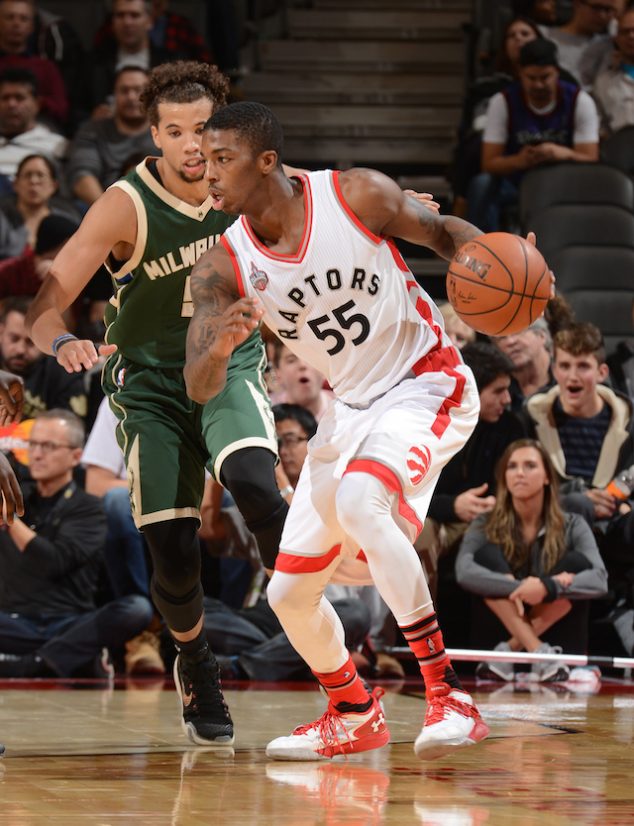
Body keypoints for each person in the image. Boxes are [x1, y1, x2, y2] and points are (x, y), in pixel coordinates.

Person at [183, 100, 511, 762]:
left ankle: (450, 696)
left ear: (266, 162)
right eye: (202, 160)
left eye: (223, 160)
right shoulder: (221, 267)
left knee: (364, 500)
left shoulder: (354, 193)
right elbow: (198, 384)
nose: (207, 173)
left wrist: (502, 262)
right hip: (351, 408)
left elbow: (445, 235)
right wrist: (218, 348)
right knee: (288, 592)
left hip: (426, 378)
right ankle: (354, 710)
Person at [24, 61, 290, 748]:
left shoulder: (249, 182)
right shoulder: (126, 204)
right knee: (171, 550)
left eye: (202, 128)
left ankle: (307, 617)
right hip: (151, 387)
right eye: (175, 132)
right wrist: (62, 346)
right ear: (155, 136)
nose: (192, 144)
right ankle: (195, 663)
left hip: (228, 365)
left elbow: (332, 207)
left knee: (257, 484)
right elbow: (46, 304)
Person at [0, 408, 155, 679]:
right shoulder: (16, 497)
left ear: (76, 456)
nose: (37, 454)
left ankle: (33, 662)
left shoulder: (89, 509)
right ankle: (62, 658)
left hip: (68, 622)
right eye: (33, 445)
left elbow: (54, 562)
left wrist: (11, 519)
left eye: (48, 446)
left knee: (136, 609)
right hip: (13, 622)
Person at [456, 439, 608, 682]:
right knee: (486, 560)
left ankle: (513, 650)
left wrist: (548, 587)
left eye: (529, 466)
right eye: (512, 467)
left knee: (577, 564)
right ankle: (538, 652)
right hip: (501, 629)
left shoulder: (573, 524)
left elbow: (599, 579)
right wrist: (520, 588)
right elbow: (464, 571)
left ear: (547, 476)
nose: (519, 473)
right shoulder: (485, 521)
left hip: (556, 642)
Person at [522, 322, 634, 591]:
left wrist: (624, 505)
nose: (572, 376)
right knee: (575, 505)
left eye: (583, 366)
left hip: (616, 522)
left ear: (602, 372)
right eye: (565, 366)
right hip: (553, 523)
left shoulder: (629, 421)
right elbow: (518, 484)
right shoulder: (530, 418)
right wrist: (578, 498)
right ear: (554, 370)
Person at [425, 342, 526, 601]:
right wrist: (453, 507)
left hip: (492, 518)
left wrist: (498, 502)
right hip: (439, 516)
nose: (508, 399)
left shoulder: (511, 427)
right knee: (419, 534)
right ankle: (417, 634)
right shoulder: (430, 423)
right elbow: (406, 492)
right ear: (472, 389)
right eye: (499, 391)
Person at [467, 37, 599, 232]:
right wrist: (520, 160)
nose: (538, 85)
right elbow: (489, 162)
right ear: (520, 73)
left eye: (545, 77)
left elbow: (591, 158)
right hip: (518, 183)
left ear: (556, 72)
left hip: (564, 182)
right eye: (531, 78)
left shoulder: (579, 100)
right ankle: (484, 247)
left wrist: (562, 154)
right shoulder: (502, 102)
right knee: (481, 184)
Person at [67, 66, 156, 207]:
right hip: (103, 205)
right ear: (114, 95)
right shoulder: (93, 130)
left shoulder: (167, 130)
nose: (131, 97)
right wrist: (110, 212)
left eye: (138, 90)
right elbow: (82, 175)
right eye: (124, 90)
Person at [0, 295, 86, 421]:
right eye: (14, 339)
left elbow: (70, 428)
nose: (21, 349)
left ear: (43, 340)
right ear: (1, 332)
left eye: (30, 342)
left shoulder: (64, 371)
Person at [0, 0, 68, 127]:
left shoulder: (46, 67)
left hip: (39, 130)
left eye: (23, 19)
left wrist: (36, 102)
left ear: (32, 26)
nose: (16, 23)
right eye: (10, 17)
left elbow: (61, 110)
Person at [0, 66, 66, 181]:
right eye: (5, 98)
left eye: (19, 98)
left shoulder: (58, 146)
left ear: (37, 104)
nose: (11, 104)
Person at [0, 153, 77, 249]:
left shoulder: (66, 222)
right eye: (28, 175)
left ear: (53, 186)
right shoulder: (2, 219)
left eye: (40, 175)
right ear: (15, 184)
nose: (33, 181)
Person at [544, 0, 623, 88]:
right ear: (577, 4)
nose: (602, 15)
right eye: (596, 8)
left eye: (608, 10)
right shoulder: (543, 35)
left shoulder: (610, 46)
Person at [495, 317, 554, 411]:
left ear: (542, 335)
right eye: (501, 337)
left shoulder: (569, 376)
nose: (510, 341)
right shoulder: (498, 393)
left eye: (517, 331)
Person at [592, 6, 634, 135]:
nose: (631, 36)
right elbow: (600, 128)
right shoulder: (603, 82)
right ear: (616, 38)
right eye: (625, 32)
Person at [269, 341, 334, 422]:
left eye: (310, 358)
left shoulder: (345, 410)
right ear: (277, 373)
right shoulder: (265, 411)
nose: (302, 365)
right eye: (291, 360)